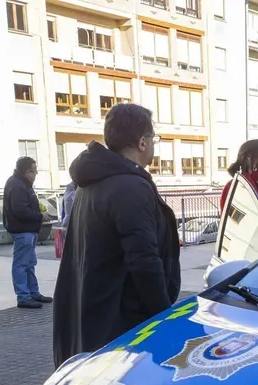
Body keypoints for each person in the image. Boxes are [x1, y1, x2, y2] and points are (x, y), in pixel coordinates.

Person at [52, 103, 181, 369]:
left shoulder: (93, 181)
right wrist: (164, 318)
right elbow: (144, 261)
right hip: (120, 326)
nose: (154, 144)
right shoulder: (130, 186)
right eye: (154, 138)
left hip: (92, 316)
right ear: (142, 142)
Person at [2, 157, 50, 309]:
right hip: (23, 230)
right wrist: (40, 216)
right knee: (22, 264)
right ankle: (24, 296)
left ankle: (32, 293)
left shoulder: (21, 184)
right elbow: (20, 211)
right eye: (35, 171)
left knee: (29, 263)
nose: (36, 175)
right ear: (27, 172)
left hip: (27, 230)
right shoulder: (18, 185)